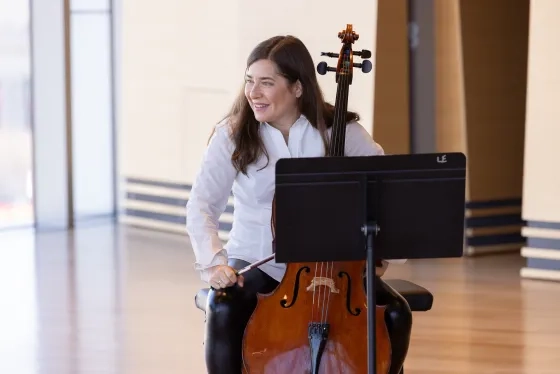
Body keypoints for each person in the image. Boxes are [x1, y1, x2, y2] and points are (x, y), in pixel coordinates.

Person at [186, 35, 412, 374]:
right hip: (260, 260)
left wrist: (382, 255)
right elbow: (202, 204)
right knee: (224, 307)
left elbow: (388, 192)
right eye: (250, 81)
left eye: (267, 83)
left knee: (396, 313)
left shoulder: (341, 132)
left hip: (336, 268)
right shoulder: (232, 134)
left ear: (297, 88)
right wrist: (215, 264)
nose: (253, 93)